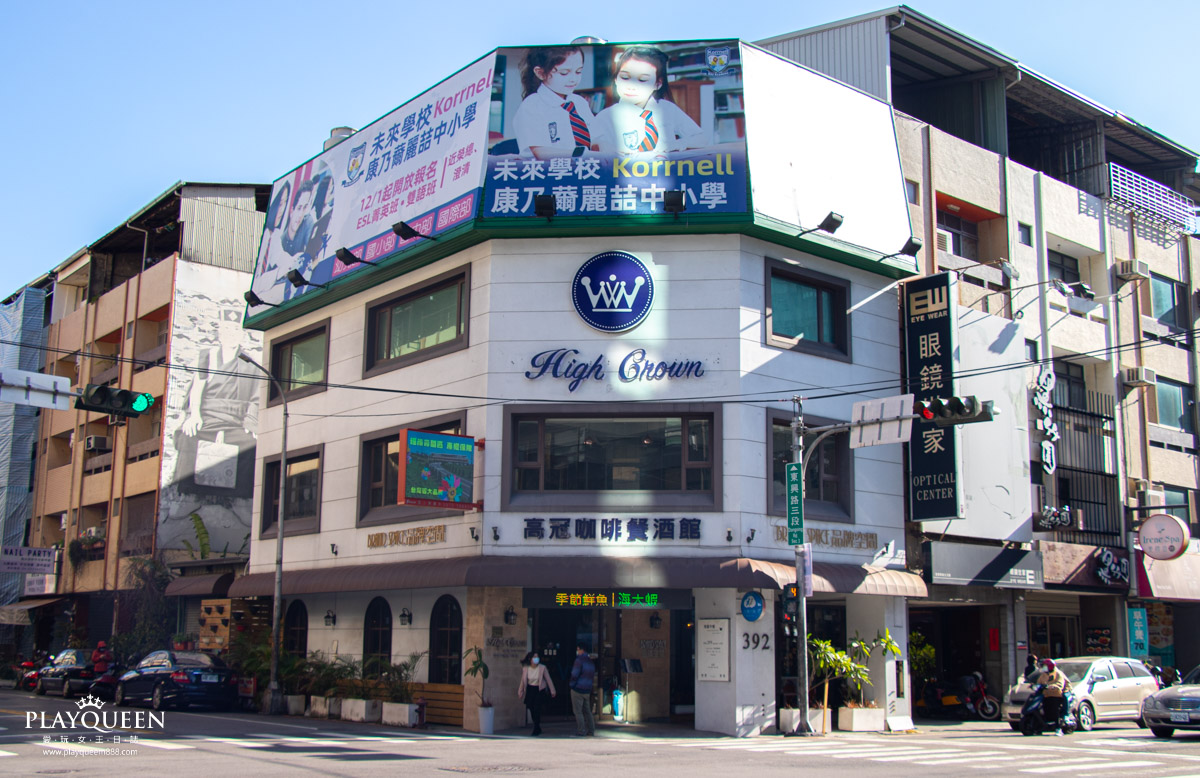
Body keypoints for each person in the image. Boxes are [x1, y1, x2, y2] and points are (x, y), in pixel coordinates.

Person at [594, 46, 705, 158]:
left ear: (658, 84)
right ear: (616, 79)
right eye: (625, 77)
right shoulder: (606, 116)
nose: (631, 86)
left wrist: (677, 144)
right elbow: (591, 148)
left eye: (642, 80)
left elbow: (702, 138)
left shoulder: (667, 109)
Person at [513, 47, 598, 159]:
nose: (573, 79)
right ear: (540, 73)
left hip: (586, 166)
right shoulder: (531, 106)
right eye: (564, 73)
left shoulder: (580, 102)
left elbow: (596, 138)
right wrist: (584, 155)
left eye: (578, 71)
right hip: (550, 168)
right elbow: (541, 152)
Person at [517, 651, 556, 736]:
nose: (536, 659)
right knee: (531, 708)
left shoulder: (542, 668)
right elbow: (523, 681)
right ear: (530, 659)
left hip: (539, 690)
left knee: (537, 708)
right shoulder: (526, 668)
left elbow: (548, 679)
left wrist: (552, 690)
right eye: (534, 657)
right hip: (530, 689)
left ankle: (536, 727)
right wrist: (520, 691)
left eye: (537, 657)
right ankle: (537, 725)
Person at [1036, 658, 1071, 736]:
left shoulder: (1058, 674)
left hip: (1057, 693)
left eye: (1045, 666)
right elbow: (1039, 682)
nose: (1044, 667)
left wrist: (1053, 686)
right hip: (1047, 694)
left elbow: (1059, 684)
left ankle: (1059, 727)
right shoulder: (1044, 674)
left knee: (1055, 709)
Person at [569, 645, 596, 736]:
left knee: (578, 711)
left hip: (578, 689)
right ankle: (591, 730)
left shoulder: (579, 660)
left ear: (582, 650)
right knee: (587, 711)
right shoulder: (590, 662)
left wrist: (572, 685)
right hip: (587, 690)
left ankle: (581, 730)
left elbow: (574, 674)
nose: (577, 651)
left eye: (578, 649)